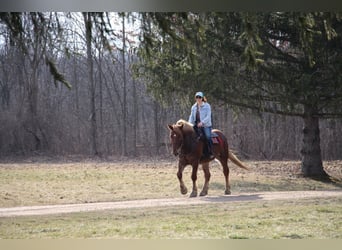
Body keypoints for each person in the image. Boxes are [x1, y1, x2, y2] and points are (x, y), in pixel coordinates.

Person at [188, 91, 214, 161]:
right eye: (197, 97)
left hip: (206, 125)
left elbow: (208, 116)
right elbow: (191, 117)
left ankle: (211, 152)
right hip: (196, 125)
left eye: (200, 97)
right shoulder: (193, 107)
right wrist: (189, 124)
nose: (198, 99)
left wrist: (202, 123)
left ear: (202, 98)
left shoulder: (207, 106)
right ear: (195, 98)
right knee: (190, 136)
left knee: (208, 136)